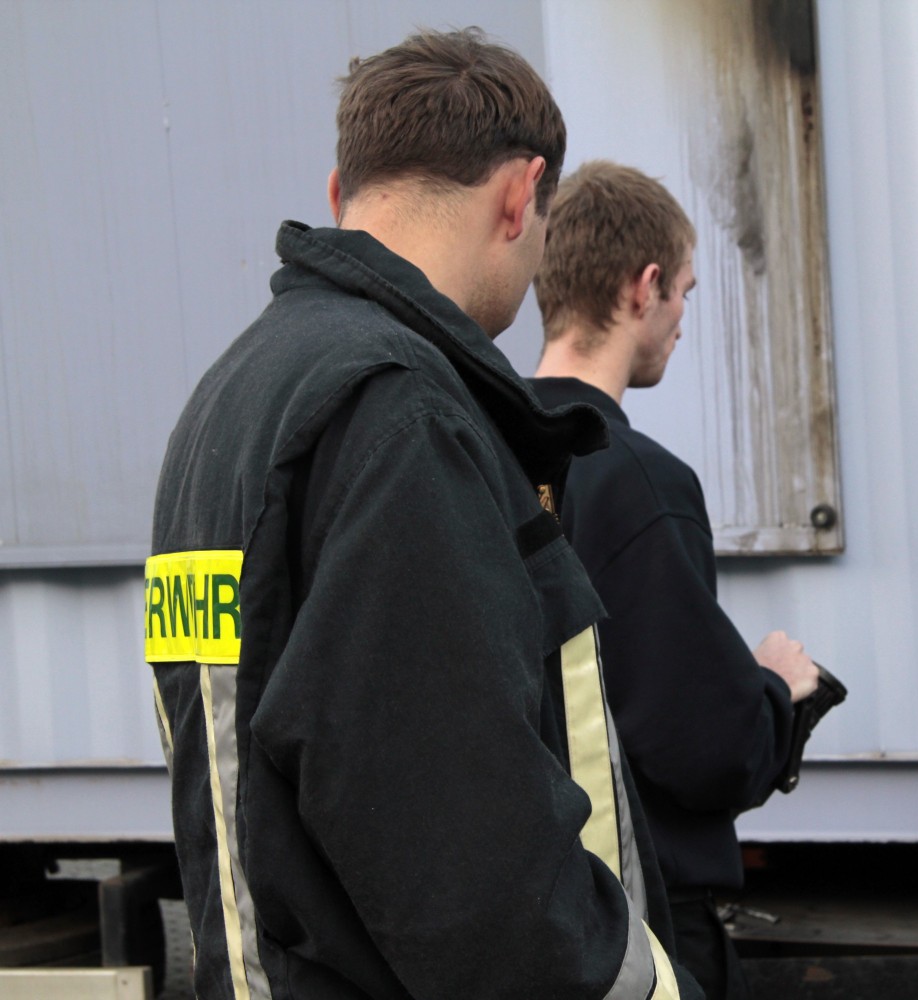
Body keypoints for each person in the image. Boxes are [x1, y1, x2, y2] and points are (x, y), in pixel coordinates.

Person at [143, 31, 698, 1000]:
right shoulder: (402, 415)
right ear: (520, 196)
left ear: (341, 194)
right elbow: (472, 869)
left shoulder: (227, 404)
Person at [530, 160, 821, 1000]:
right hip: (642, 919)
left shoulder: (474, 446)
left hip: (526, 902)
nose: (682, 320)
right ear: (644, 286)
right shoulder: (635, 480)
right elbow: (707, 751)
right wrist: (775, 689)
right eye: (684, 293)